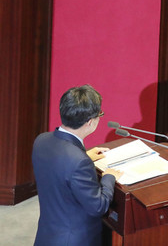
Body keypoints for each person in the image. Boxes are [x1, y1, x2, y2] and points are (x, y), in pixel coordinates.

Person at [32, 84, 122, 246]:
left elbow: (59, 168)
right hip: (73, 240)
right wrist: (109, 176)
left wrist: (85, 154)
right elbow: (98, 206)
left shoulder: (41, 140)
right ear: (89, 122)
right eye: (99, 114)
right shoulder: (79, 161)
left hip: (48, 235)